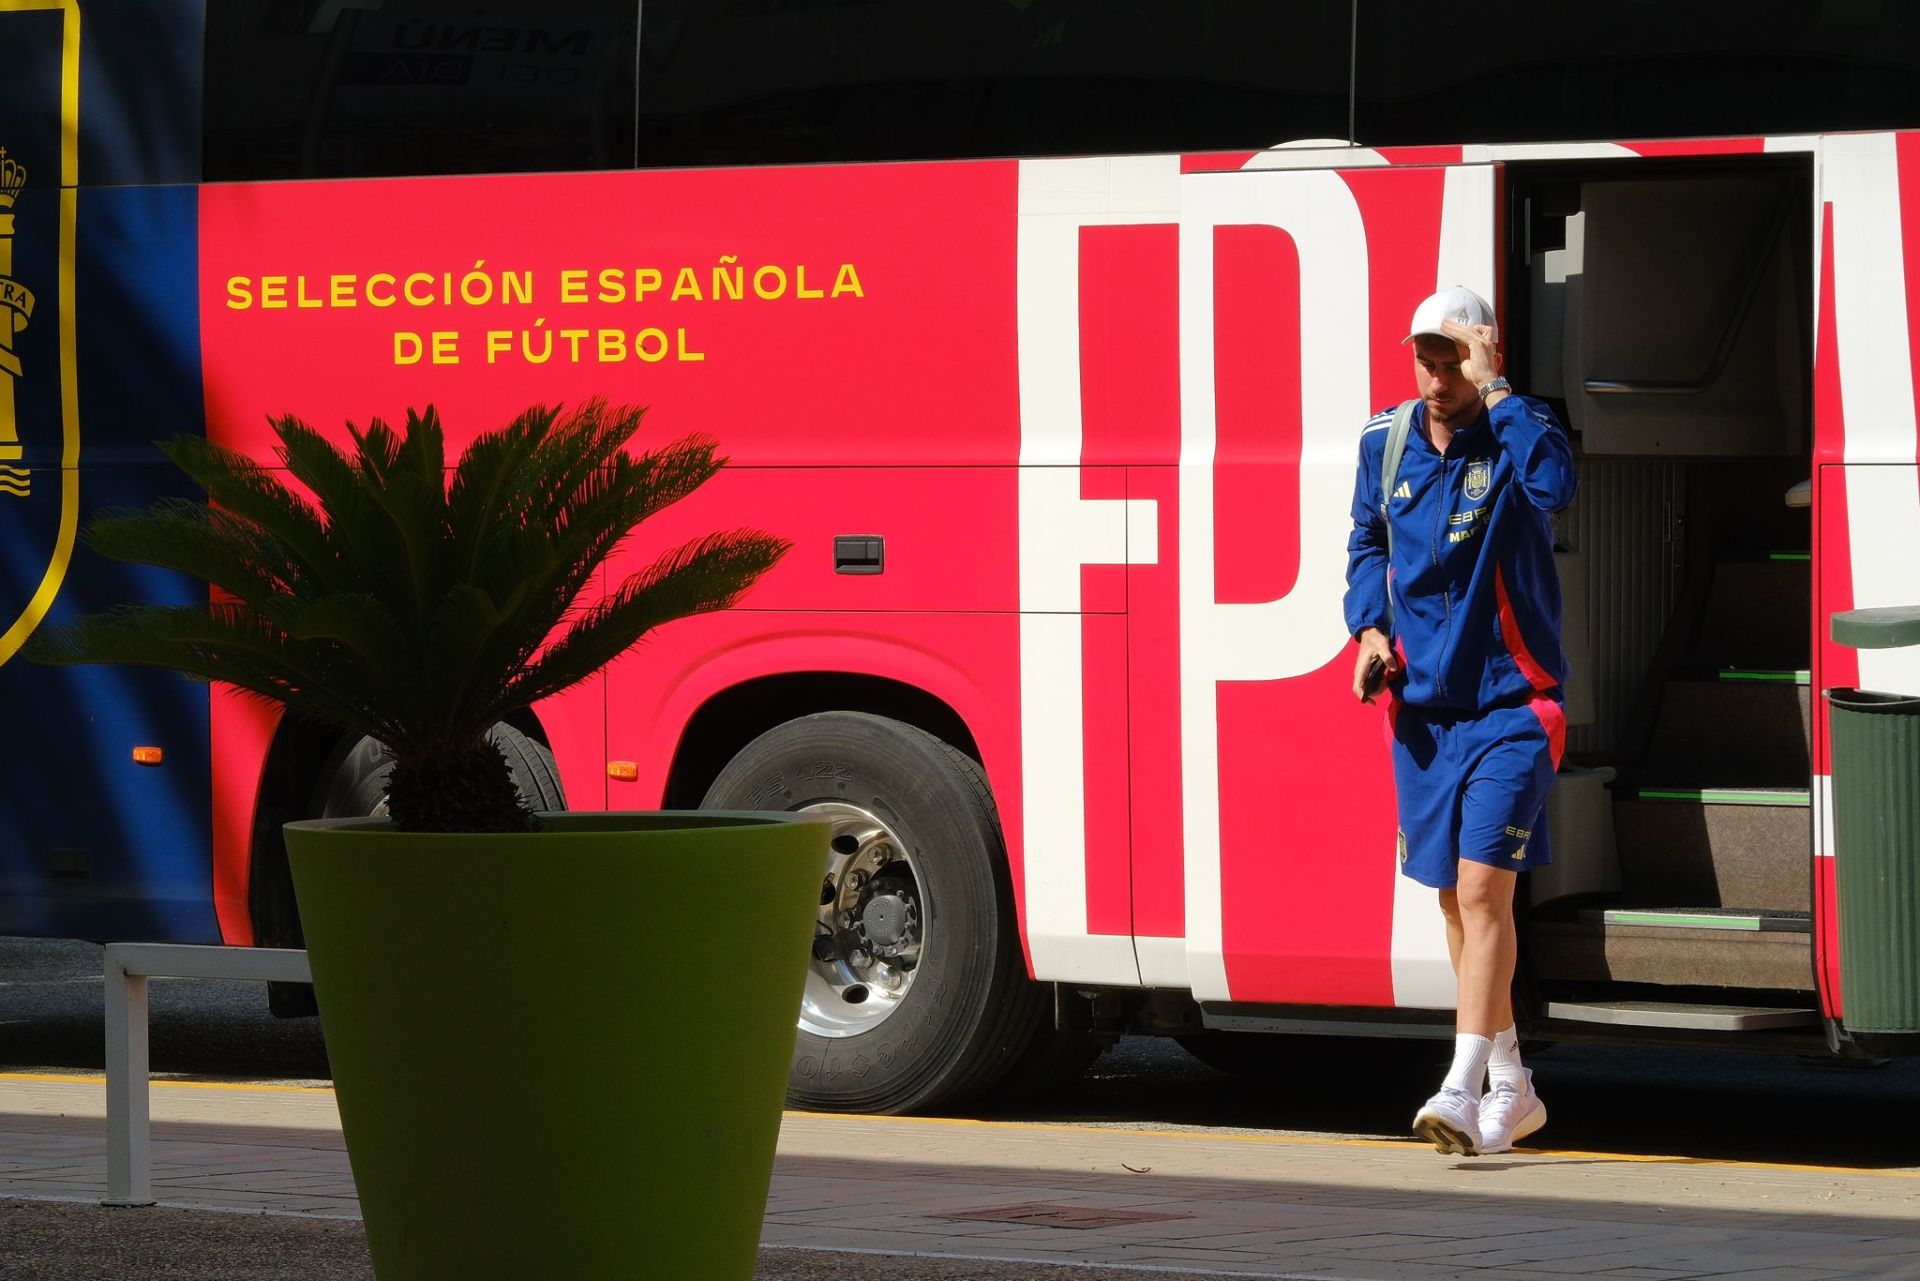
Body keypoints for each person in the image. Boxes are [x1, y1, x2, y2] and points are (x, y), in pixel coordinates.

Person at [1343, 286, 1577, 1156]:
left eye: (1453, 362)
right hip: (1423, 715)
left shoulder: (1521, 431)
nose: (1438, 379)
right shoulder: (1385, 440)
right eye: (1426, 361)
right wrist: (1369, 628)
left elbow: (1555, 487)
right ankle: (1513, 1084)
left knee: (1482, 893)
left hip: (1515, 705)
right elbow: (1366, 540)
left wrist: (1500, 389)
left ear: (1481, 357)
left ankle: (1458, 1084)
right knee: (1455, 899)